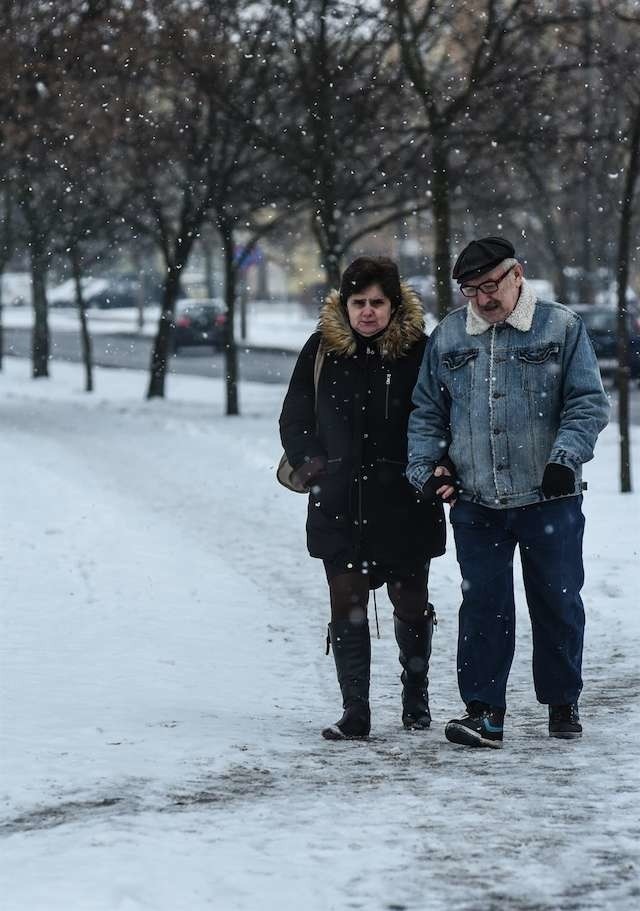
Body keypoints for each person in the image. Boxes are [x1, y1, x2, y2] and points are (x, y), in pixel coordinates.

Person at [407, 236, 609, 748]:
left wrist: (566, 458)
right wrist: (426, 470)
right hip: (476, 503)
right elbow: (427, 412)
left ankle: (562, 702)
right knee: (482, 608)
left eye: (490, 286)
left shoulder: (561, 327)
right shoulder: (449, 337)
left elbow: (587, 401)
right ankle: (484, 711)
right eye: (470, 290)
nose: (482, 299)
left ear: (518, 274)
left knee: (558, 603)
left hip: (550, 499)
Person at [279, 256, 447, 740]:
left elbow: (441, 416)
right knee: (346, 601)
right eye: (359, 302)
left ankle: (415, 691)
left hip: (406, 501)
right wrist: (314, 468)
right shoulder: (320, 351)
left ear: (395, 305)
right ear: (344, 304)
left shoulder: (421, 351)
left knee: (410, 602)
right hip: (338, 501)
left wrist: (431, 466)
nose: (368, 312)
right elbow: (295, 418)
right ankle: (356, 710)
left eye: (377, 302)